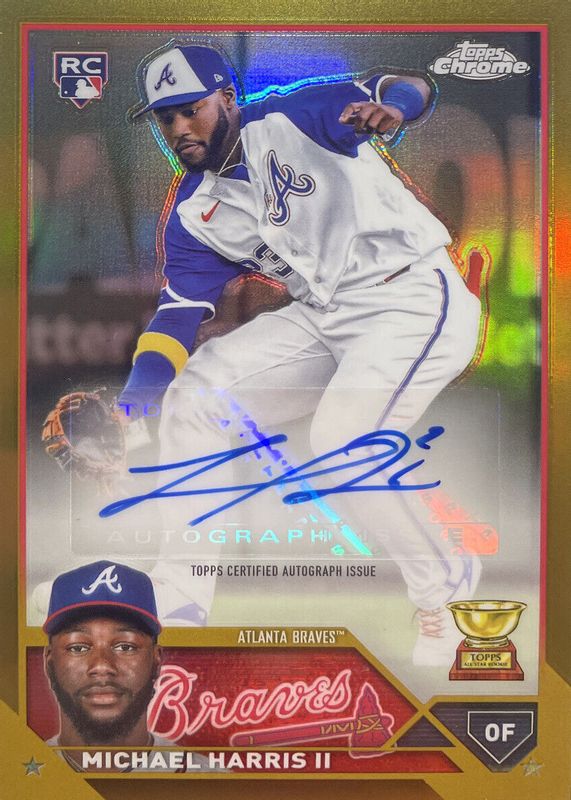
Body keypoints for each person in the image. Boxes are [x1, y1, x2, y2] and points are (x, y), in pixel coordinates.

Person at [118, 43, 482, 666]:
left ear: (226, 98)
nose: (178, 127)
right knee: (197, 395)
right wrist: (138, 394)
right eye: (164, 116)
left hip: (412, 296)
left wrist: (394, 106)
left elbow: (406, 82)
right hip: (322, 314)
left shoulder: (295, 117)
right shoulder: (194, 211)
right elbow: (179, 312)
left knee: (344, 442)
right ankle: (180, 592)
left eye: (190, 108)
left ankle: (444, 585)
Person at [43, 560, 208, 771]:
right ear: (49, 662)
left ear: (157, 660)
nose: (102, 665)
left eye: (125, 646)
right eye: (78, 647)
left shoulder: (212, 782)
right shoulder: (15, 778)